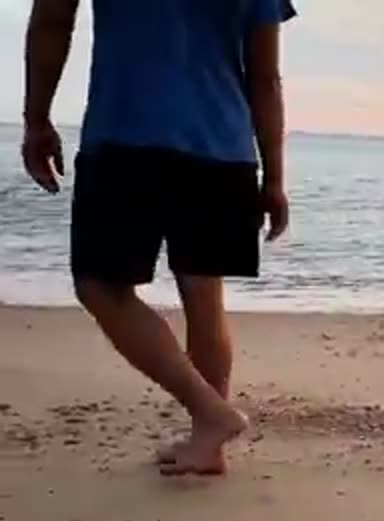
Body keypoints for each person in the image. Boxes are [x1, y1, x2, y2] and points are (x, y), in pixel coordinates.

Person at [21, 0, 297, 475]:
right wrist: (273, 176)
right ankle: (207, 443)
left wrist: (36, 119)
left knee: (100, 286)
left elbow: (51, 18)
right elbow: (265, 75)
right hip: (223, 148)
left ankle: (210, 414)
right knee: (203, 290)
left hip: (128, 136)